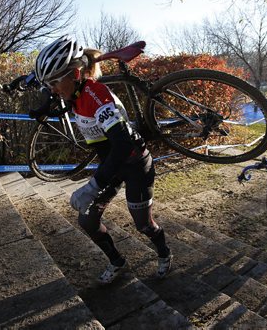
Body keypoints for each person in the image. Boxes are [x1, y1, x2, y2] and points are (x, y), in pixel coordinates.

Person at [34, 35, 172, 284]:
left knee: (143, 225)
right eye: (48, 85)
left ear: (75, 75)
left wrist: (93, 185)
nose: (52, 90)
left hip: (135, 164)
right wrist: (41, 105)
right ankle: (117, 261)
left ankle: (164, 253)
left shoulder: (96, 94)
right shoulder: (73, 91)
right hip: (113, 166)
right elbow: (54, 96)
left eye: (54, 83)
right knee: (87, 219)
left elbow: (122, 145)